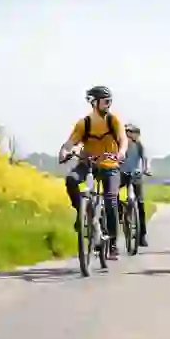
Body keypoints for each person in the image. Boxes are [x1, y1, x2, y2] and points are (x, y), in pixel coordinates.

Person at [58, 85, 128, 259]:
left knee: (111, 200)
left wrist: (121, 153)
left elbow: (123, 140)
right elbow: (69, 143)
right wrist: (64, 152)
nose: (109, 104)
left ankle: (112, 243)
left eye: (110, 100)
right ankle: (82, 213)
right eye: (105, 101)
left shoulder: (114, 121)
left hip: (110, 165)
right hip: (88, 163)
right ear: (94, 103)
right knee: (71, 180)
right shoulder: (85, 123)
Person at [120, 123, 151, 247]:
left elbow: (145, 159)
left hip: (135, 175)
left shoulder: (138, 145)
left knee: (140, 203)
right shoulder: (120, 144)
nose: (129, 134)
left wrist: (146, 169)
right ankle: (119, 212)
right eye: (127, 131)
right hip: (122, 174)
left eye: (131, 132)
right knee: (111, 194)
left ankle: (142, 235)